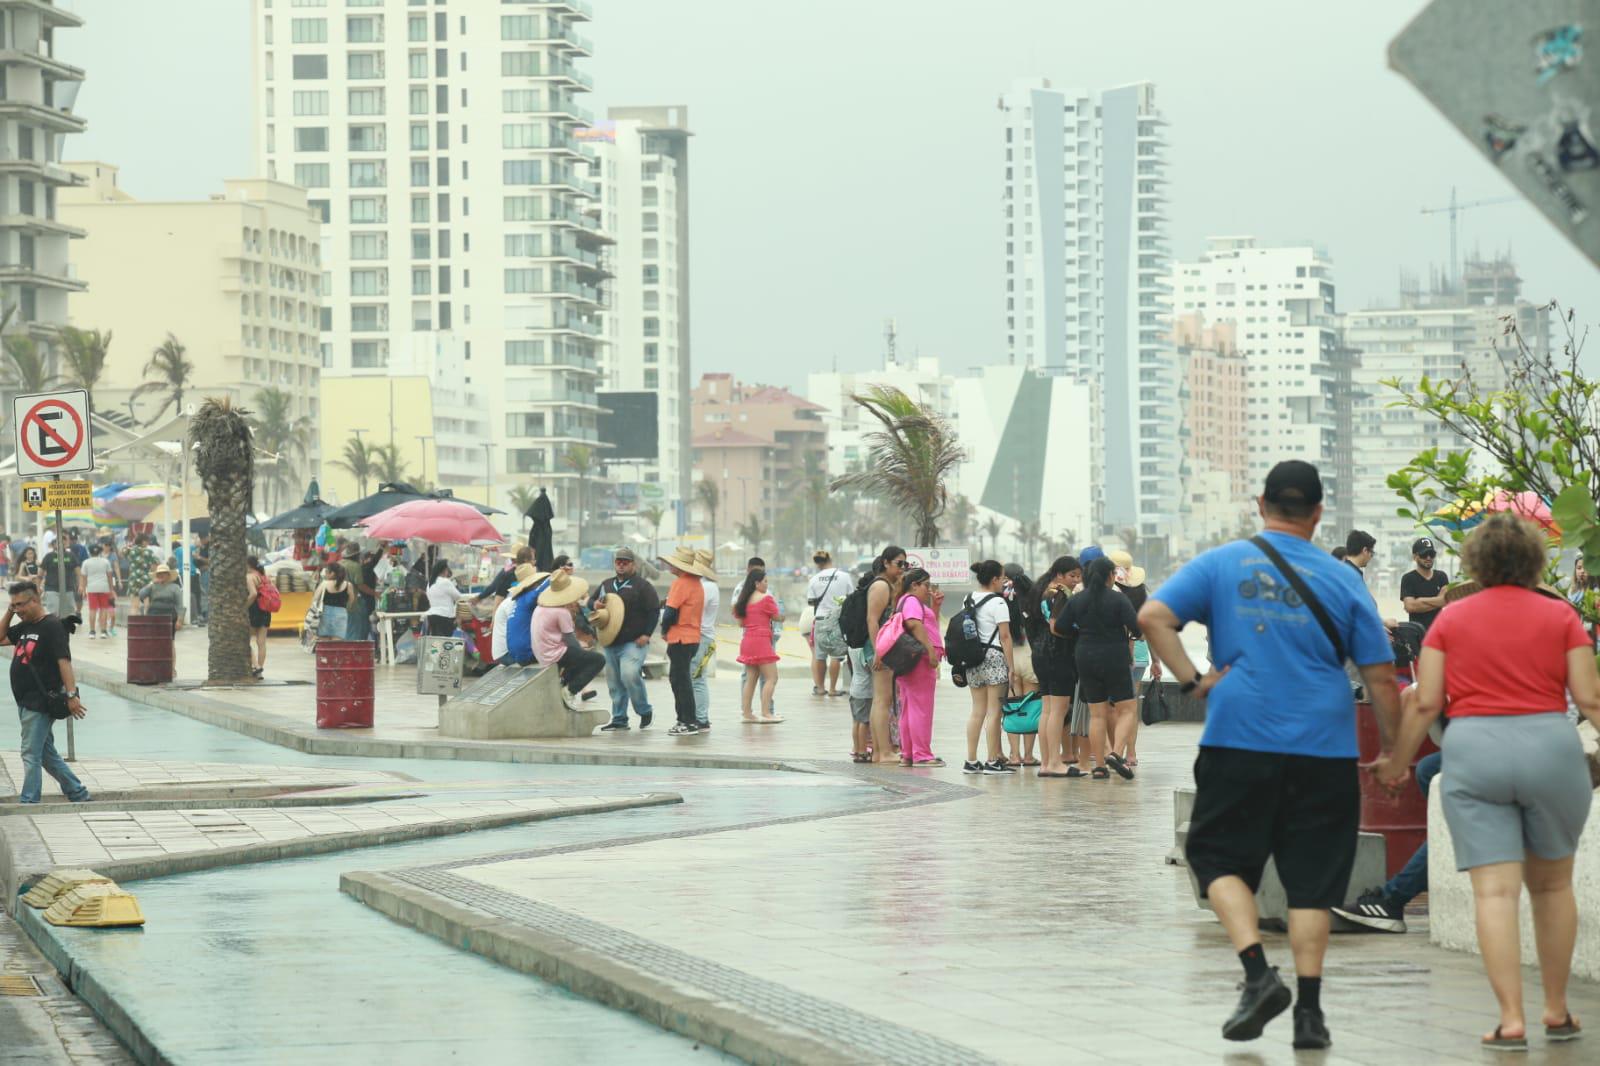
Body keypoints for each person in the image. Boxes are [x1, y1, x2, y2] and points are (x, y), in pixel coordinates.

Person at [1139, 460, 1399, 1050]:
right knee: (1312, 884)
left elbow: (1154, 617)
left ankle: (1258, 974)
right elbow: (1382, 681)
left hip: (1239, 739)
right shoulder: (1343, 581)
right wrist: (1395, 754)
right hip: (1325, 749)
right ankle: (1310, 1015)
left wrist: (1191, 682)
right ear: (1317, 512)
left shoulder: (1224, 562)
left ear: (1261, 504)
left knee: (1214, 855)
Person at [1375, 512, 1600, 1052]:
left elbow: (1426, 701)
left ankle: (1510, 1020)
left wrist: (1399, 760)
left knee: (1494, 892)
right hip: (1550, 747)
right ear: (1534, 561)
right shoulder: (1563, 617)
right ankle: (1557, 1009)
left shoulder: (1450, 621)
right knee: (1551, 887)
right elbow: (1589, 700)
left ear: (1474, 563)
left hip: (1475, 752)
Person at [0, 581, 89, 804]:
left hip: (40, 702)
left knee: (30, 753)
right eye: (14, 606)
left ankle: (29, 801)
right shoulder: (25, 625)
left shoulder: (52, 626)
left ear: (36, 600)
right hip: (25, 701)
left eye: (21, 605)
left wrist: (72, 695)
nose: (18, 609)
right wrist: (9, 613)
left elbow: (64, 662)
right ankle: (78, 792)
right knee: (46, 754)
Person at [1064, 557, 1142, 780]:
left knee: (1096, 715)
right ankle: (1116, 753)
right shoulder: (1118, 599)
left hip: (1086, 657)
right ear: (1110, 576)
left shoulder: (1077, 600)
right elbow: (1136, 628)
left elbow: (1061, 627)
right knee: (1127, 709)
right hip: (1115, 657)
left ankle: (1099, 766)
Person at [589, 547, 659, 731]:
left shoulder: (642, 586)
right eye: (618, 561)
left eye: (625, 562)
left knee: (629, 675)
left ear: (633, 565)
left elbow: (653, 611)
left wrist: (647, 634)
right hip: (610, 641)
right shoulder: (606, 584)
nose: (621, 565)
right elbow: (591, 602)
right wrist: (594, 604)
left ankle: (644, 710)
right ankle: (619, 719)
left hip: (634, 641)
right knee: (614, 683)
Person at [1028, 556, 1083, 778]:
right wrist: (1079, 632)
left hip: (1040, 654)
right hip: (1058, 654)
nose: (1076, 580)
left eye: (1079, 576)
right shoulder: (1060, 594)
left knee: (1048, 710)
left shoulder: (1044, 591)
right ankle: (1054, 762)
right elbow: (1056, 627)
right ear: (1059, 574)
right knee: (1058, 712)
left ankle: (1046, 763)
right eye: (1072, 576)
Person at [960, 559, 1016, 776]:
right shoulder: (999, 603)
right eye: (1002, 578)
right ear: (994, 579)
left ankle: (971, 760)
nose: (1003, 582)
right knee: (994, 712)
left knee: (977, 711)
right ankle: (993, 761)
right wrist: (1011, 667)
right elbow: (1005, 636)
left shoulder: (968, 598)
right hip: (994, 657)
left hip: (973, 658)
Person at [531, 571, 605, 710]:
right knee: (598, 660)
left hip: (541, 653)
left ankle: (563, 684)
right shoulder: (561, 612)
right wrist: (583, 649)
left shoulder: (540, 608)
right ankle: (570, 690)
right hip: (554, 654)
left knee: (579, 657)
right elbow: (572, 642)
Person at [894, 567, 945, 766]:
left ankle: (908, 753)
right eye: (926, 585)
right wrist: (931, 651)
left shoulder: (905, 601)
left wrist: (935, 607)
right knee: (922, 708)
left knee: (909, 707)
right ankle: (922, 754)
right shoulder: (912, 601)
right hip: (920, 660)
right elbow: (915, 624)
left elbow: (927, 623)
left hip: (911, 660)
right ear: (914, 585)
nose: (928, 589)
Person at [659, 546, 708, 735]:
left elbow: (670, 612)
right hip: (693, 638)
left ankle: (685, 721)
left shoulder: (680, 583)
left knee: (679, 680)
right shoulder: (697, 583)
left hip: (679, 638)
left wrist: (664, 630)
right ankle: (691, 720)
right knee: (683, 678)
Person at [865, 546, 907, 763]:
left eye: (905, 564)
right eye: (899, 563)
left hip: (881, 648)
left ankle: (880, 751)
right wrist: (878, 651)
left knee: (881, 700)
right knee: (883, 700)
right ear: (886, 563)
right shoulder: (881, 586)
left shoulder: (887, 585)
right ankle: (884, 752)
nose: (902, 568)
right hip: (881, 649)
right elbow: (872, 620)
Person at [733, 557, 785, 716]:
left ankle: (747, 713)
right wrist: (782, 616)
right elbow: (777, 617)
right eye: (765, 581)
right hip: (762, 640)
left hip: (747, 640)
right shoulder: (766, 598)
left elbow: (741, 623)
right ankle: (766, 712)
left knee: (751, 679)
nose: (767, 584)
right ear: (757, 583)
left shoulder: (743, 600)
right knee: (772, 678)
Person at [807, 550, 850, 697]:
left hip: (820, 620)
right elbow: (851, 597)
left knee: (820, 655)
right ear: (830, 558)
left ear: (817, 563)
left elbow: (811, 601)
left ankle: (820, 688)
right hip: (838, 619)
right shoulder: (844, 576)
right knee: (835, 655)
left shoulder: (814, 579)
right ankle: (832, 689)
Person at [690, 549, 720, 730]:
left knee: (697, 678)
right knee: (695, 678)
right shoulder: (705, 585)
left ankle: (701, 718)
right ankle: (698, 716)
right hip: (700, 636)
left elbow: (694, 608)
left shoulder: (707, 587)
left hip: (702, 637)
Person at [1399, 536, 1449, 633]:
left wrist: (1420, 600)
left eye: (1431, 554)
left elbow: (1446, 600)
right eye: (1424, 554)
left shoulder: (1441, 576)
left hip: (1440, 631)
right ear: (1414, 557)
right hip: (1418, 633)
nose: (1428, 558)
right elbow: (1410, 606)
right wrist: (1438, 601)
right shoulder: (1408, 578)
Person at [80, 543, 116, 639]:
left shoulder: (86, 562)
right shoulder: (105, 562)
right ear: (100, 551)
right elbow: (109, 576)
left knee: (92, 610)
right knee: (103, 609)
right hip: (104, 588)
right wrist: (111, 589)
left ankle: (92, 632)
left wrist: (83, 590)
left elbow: (84, 577)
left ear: (90, 552)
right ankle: (103, 631)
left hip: (91, 588)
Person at [341, 544, 376, 642]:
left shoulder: (339, 564)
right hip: (352, 604)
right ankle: (355, 650)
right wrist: (375, 593)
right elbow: (361, 586)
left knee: (345, 629)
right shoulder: (355, 566)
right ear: (357, 555)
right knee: (357, 630)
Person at [245, 556, 272, 678]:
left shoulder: (250, 577)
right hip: (265, 610)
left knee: (245, 639)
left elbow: (253, 594)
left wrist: (244, 606)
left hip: (254, 609)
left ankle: (256, 665)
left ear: (248, 565)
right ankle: (260, 670)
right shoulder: (264, 577)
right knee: (261, 642)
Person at [39, 540, 79, 618]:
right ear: (54, 545)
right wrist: (38, 587)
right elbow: (40, 573)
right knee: (54, 612)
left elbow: (78, 572)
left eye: (63, 543)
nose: (61, 545)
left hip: (68, 588)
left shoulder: (71, 556)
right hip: (52, 588)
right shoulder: (48, 556)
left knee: (69, 613)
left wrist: (81, 585)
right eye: (58, 543)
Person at [312, 563, 352, 639]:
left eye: (327, 572)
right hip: (341, 614)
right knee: (337, 642)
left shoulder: (324, 584)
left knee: (324, 641)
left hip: (325, 614)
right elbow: (351, 601)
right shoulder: (348, 585)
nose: (325, 574)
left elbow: (315, 599)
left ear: (332, 573)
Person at [424, 560, 463, 636]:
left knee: (436, 642)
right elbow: (458, 596)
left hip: (432, 616)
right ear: (444, 570)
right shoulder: (445, 582)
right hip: (445, 616)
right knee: (445, 642)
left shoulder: (430, 583)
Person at [123, 535, 156, 605]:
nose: (148, 543)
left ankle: (134, 616)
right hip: (146, 579)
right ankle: (146, 615)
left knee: (134, 605)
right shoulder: (149, 552)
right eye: (147, 541)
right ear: (143, 541)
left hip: (133, 579)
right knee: (147, 601)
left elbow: (122, 552)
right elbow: (154, 567)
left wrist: (130, 546)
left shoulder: (131, 551)